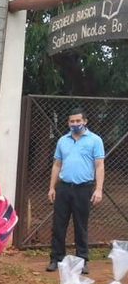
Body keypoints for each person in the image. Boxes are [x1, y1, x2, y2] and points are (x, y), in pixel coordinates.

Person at [46, 107, 105, 275]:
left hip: (84, 188)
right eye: (72, 121)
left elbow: (99, 165)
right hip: (64, 187)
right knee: (58, 225)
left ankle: (82, 260)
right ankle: (56, 259)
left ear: (85, 121)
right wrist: (52, 187)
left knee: (81, 225)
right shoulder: (63, 141)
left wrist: (98, 189)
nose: (75, 124)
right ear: (68, 123)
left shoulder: (95, 140)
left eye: (78, 121)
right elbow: (57, 164)